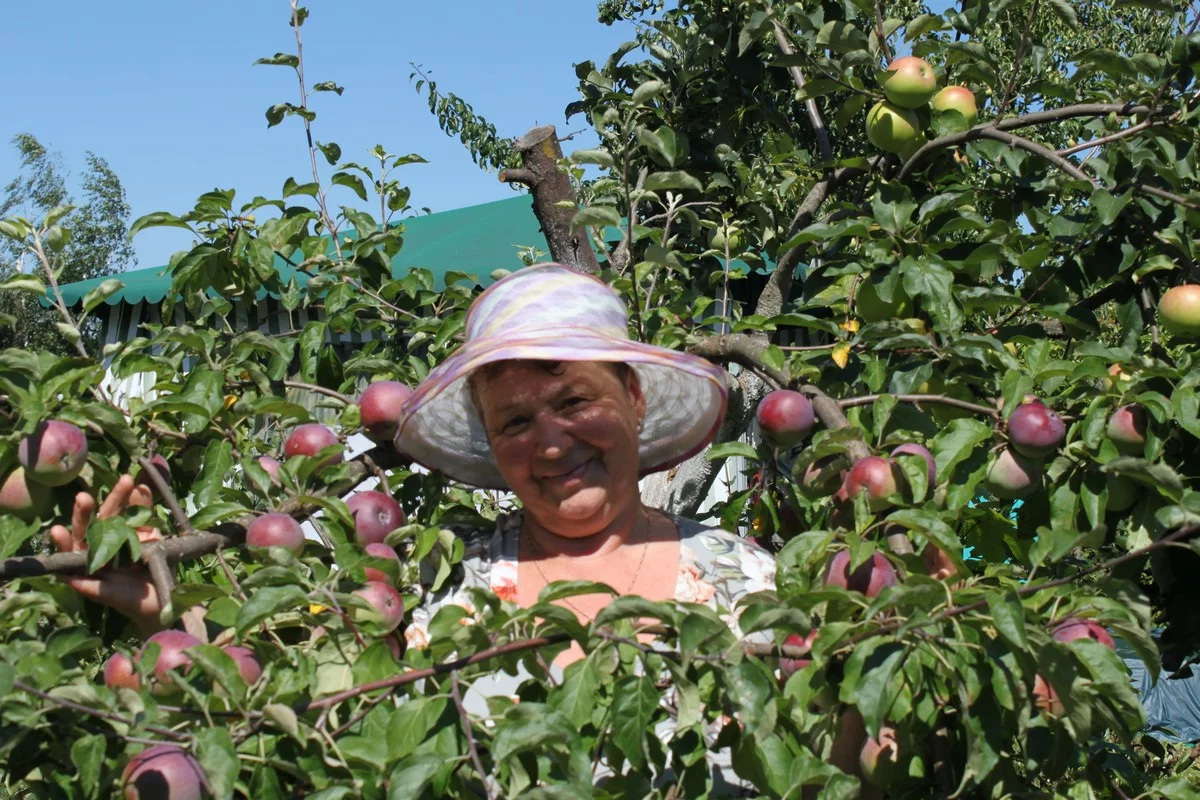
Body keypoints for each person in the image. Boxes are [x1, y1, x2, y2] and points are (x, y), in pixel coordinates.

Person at [51, 263, 805, 793]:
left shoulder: (752, 585)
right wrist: (172, 615)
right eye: (514, 420)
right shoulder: (440, 595)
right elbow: (314, 716)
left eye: (574, 401)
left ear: (635, 400)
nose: (549, 443)